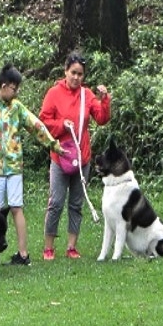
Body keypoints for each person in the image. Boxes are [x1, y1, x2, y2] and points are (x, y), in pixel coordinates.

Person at [0, 63, 62, 267]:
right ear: (3, 85)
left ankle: (23, 254)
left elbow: (35, 125)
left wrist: (53, 144)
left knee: (16, 208)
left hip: (14, 167)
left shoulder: (17, 108)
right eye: (14, 88)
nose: (16, 92)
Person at [38, 51, 111, 260]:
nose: (76, 78)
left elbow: (101, 118)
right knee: (56, 202)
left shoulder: (87, 95)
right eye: (73, 73)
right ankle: (49, 247)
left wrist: (104, 100)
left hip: (82, 158)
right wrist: (62, 125)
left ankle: (72, 246)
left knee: (76, 203)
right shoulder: (53, 93)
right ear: (65, 71)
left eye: (80, 74)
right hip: (60, 157)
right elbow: (44, 122)